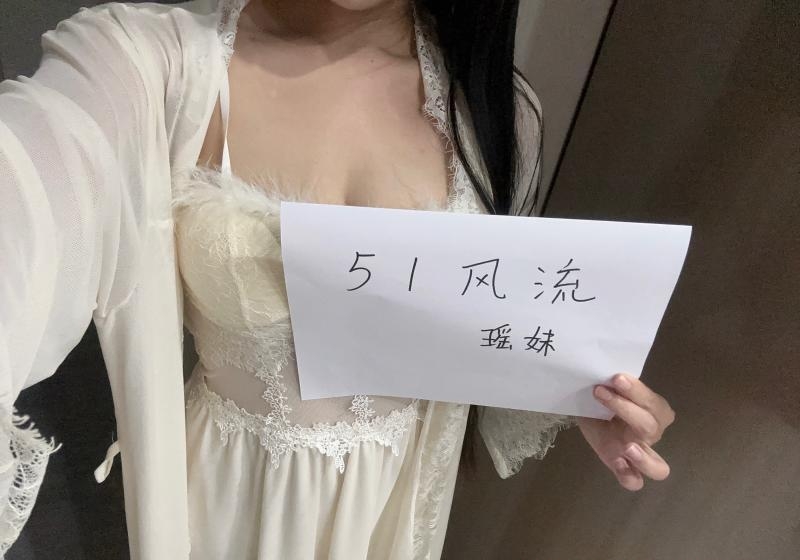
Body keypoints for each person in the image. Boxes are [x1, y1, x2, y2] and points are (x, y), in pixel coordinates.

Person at [0, 0, 676, 558]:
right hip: (232, 495)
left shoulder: (500, 109)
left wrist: (577, 387)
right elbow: (28, 184)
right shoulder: (149, 64)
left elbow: (476, 321)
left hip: (392, 507)